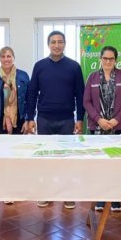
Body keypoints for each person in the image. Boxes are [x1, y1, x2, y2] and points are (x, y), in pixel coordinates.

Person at [25, 30, 85, 209]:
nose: (57, 45)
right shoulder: (39, 66)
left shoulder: (74, 67)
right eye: (53, 42)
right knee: (45, 159)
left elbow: (80, 95)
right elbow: (32, 93)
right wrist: (30, 117)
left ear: (65, 44)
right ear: (48, 44)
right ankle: (46, 192)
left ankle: (67, 194)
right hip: (43, 119)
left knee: (66, 159)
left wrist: (80, 119)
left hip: (67, 119)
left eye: (60, 42)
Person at [83, 46, 121, 213]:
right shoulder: (92, 77)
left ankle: (115, 200)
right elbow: (86, 102)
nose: (107, 61)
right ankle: (100, 198)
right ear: (100, 59)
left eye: (111, 59)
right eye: (105, 58)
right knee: (99, 165)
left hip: (117, 127)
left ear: (115, 60)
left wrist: (115, 120)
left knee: (117, 165)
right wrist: (99, 120)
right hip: (96, 127)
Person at [0, 47, 29, 205]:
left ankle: (17, 188)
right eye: (3, 56)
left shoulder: (23, 76)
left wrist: (28, 119)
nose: (6, 59)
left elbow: (29, 100)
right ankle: (4, 190)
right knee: (2, 156)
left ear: (13, 58)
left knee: (18, 156)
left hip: (19, 121)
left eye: (9, 56)